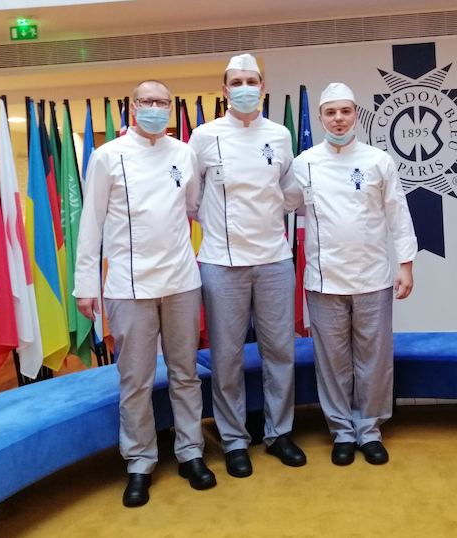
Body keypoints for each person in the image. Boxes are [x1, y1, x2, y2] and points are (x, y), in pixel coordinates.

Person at [75, 80, 215, 507]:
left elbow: (192, 207)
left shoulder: (184, 153)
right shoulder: (108, 156)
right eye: (147, 101)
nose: (155, 107)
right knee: (135, 379)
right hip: (128, 285)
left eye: (162, 102)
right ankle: (139, 461)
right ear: (133, 107)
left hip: (181, 281)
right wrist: (85, 284)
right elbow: (91, 222)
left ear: (170, 109)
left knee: (185, 373)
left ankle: (191, 451)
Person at [188, 53, 305, 478]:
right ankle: (235, 440)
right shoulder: (203, 136)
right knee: (226, 356)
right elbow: (191, 198)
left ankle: (279, 433)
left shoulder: (280, 134)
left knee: (280, 351)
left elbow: (291, 190)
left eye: (250, 81)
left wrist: (270, 216)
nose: (243, 88)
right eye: (235, 82)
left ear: (262, 87)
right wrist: (218, 226)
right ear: (224, 90)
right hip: (222, 261)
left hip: (274, 259)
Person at [289, 82, 418, 466]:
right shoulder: (304, 163)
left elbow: (398, 213)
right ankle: (342, 431)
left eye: (345, 111)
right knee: (332, 361)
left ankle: (369, 429)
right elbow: (281, 203)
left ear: (356, 114)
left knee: (373, 358)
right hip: (324, 279)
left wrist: (406, 265)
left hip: (372, 276)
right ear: (320, 118)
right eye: (331, 112)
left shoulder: (378, 161)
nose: (338, 119)